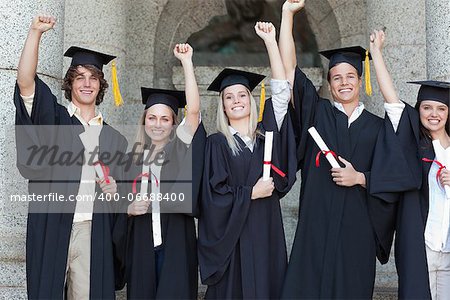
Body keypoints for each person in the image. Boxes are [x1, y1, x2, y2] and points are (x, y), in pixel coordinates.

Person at [278, 1, 396, 298]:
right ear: (329, 85)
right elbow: (289, 69)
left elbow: (393, 176)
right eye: (337, 78)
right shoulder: (315, 113)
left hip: (356, 234)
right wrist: (287, 16)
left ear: (360, 80)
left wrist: (360, 178)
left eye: (350, 77)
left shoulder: (378, 127)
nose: (344, 83)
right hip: (315, 229)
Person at [14, 15, 128, 299]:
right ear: (70, 83)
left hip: (93, 231)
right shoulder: (55, 118)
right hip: (52, 226)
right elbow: (26, 82)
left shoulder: (115, 139)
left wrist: (117, 190)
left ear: (102, 84)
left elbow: (122, 197)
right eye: (80, 77)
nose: (87, 83)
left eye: (93, 77)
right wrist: (35, 33)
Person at [197, 22, 297, 299]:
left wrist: (270, 42)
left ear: (251, 101)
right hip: (234, 234)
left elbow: (281, 94)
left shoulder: (267, 136)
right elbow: (214, 195)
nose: (236, 101)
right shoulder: (217, 143)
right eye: (229, 97)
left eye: (242, 95)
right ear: (223, 105)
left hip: (266, 228)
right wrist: (251, 193)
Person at [369, 29, 450, 299]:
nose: (434, 114)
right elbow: (391, 99)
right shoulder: (415, 141)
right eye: (427, 108)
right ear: (419, 110)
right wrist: (377, 53)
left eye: (441, 109)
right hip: (422, 246)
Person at [124, 43, 206, 299]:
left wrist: (187, 62)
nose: (158, 124)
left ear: (173, 124)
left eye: (165, 119)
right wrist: (128, 209)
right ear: (144, 120)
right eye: (152, 117)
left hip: (177, 245)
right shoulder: (130, 161)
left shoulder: (179, 150)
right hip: (141, 247)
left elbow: (192, 112)